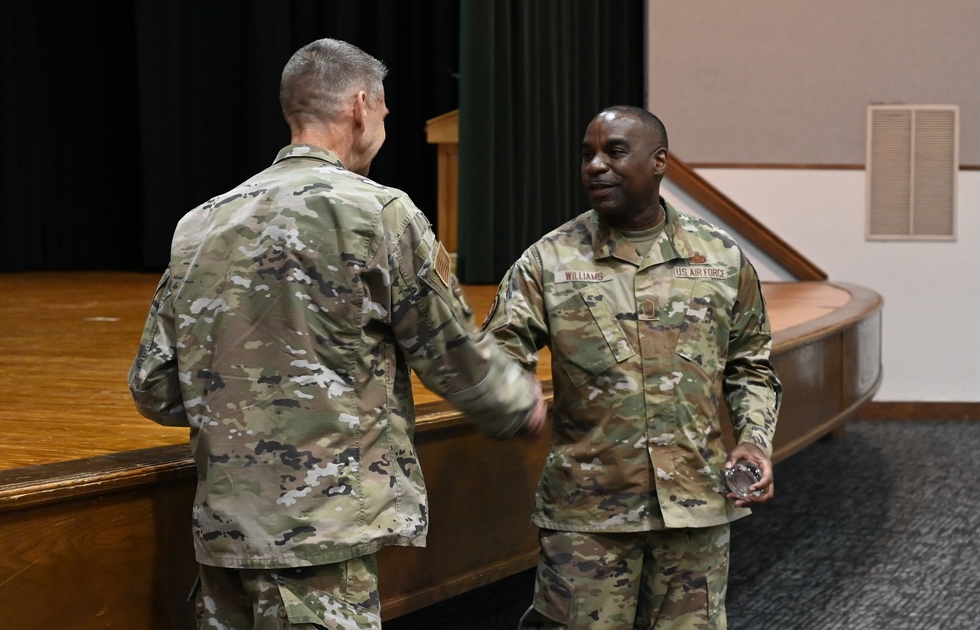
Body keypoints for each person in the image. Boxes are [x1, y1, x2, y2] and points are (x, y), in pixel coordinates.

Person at [128, 38, 546, 630]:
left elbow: (154, 388)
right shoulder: (378, 214)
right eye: (382, 113)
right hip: (323, 538)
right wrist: (514, 403)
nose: (381, 125)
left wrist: (243, 410)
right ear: (359, 106)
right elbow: (448, 351)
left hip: (225, 533)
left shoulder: (201, 222)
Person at [481, 105, 782, 630]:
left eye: (615, 152)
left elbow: (750, 366)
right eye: (587, 155)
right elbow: (498, 356)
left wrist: (755, 440)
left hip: (695, 508)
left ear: (659, 161)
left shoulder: (720, 259)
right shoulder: (548, 261)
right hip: (589, 516)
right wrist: (512, 393)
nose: (596, 166)